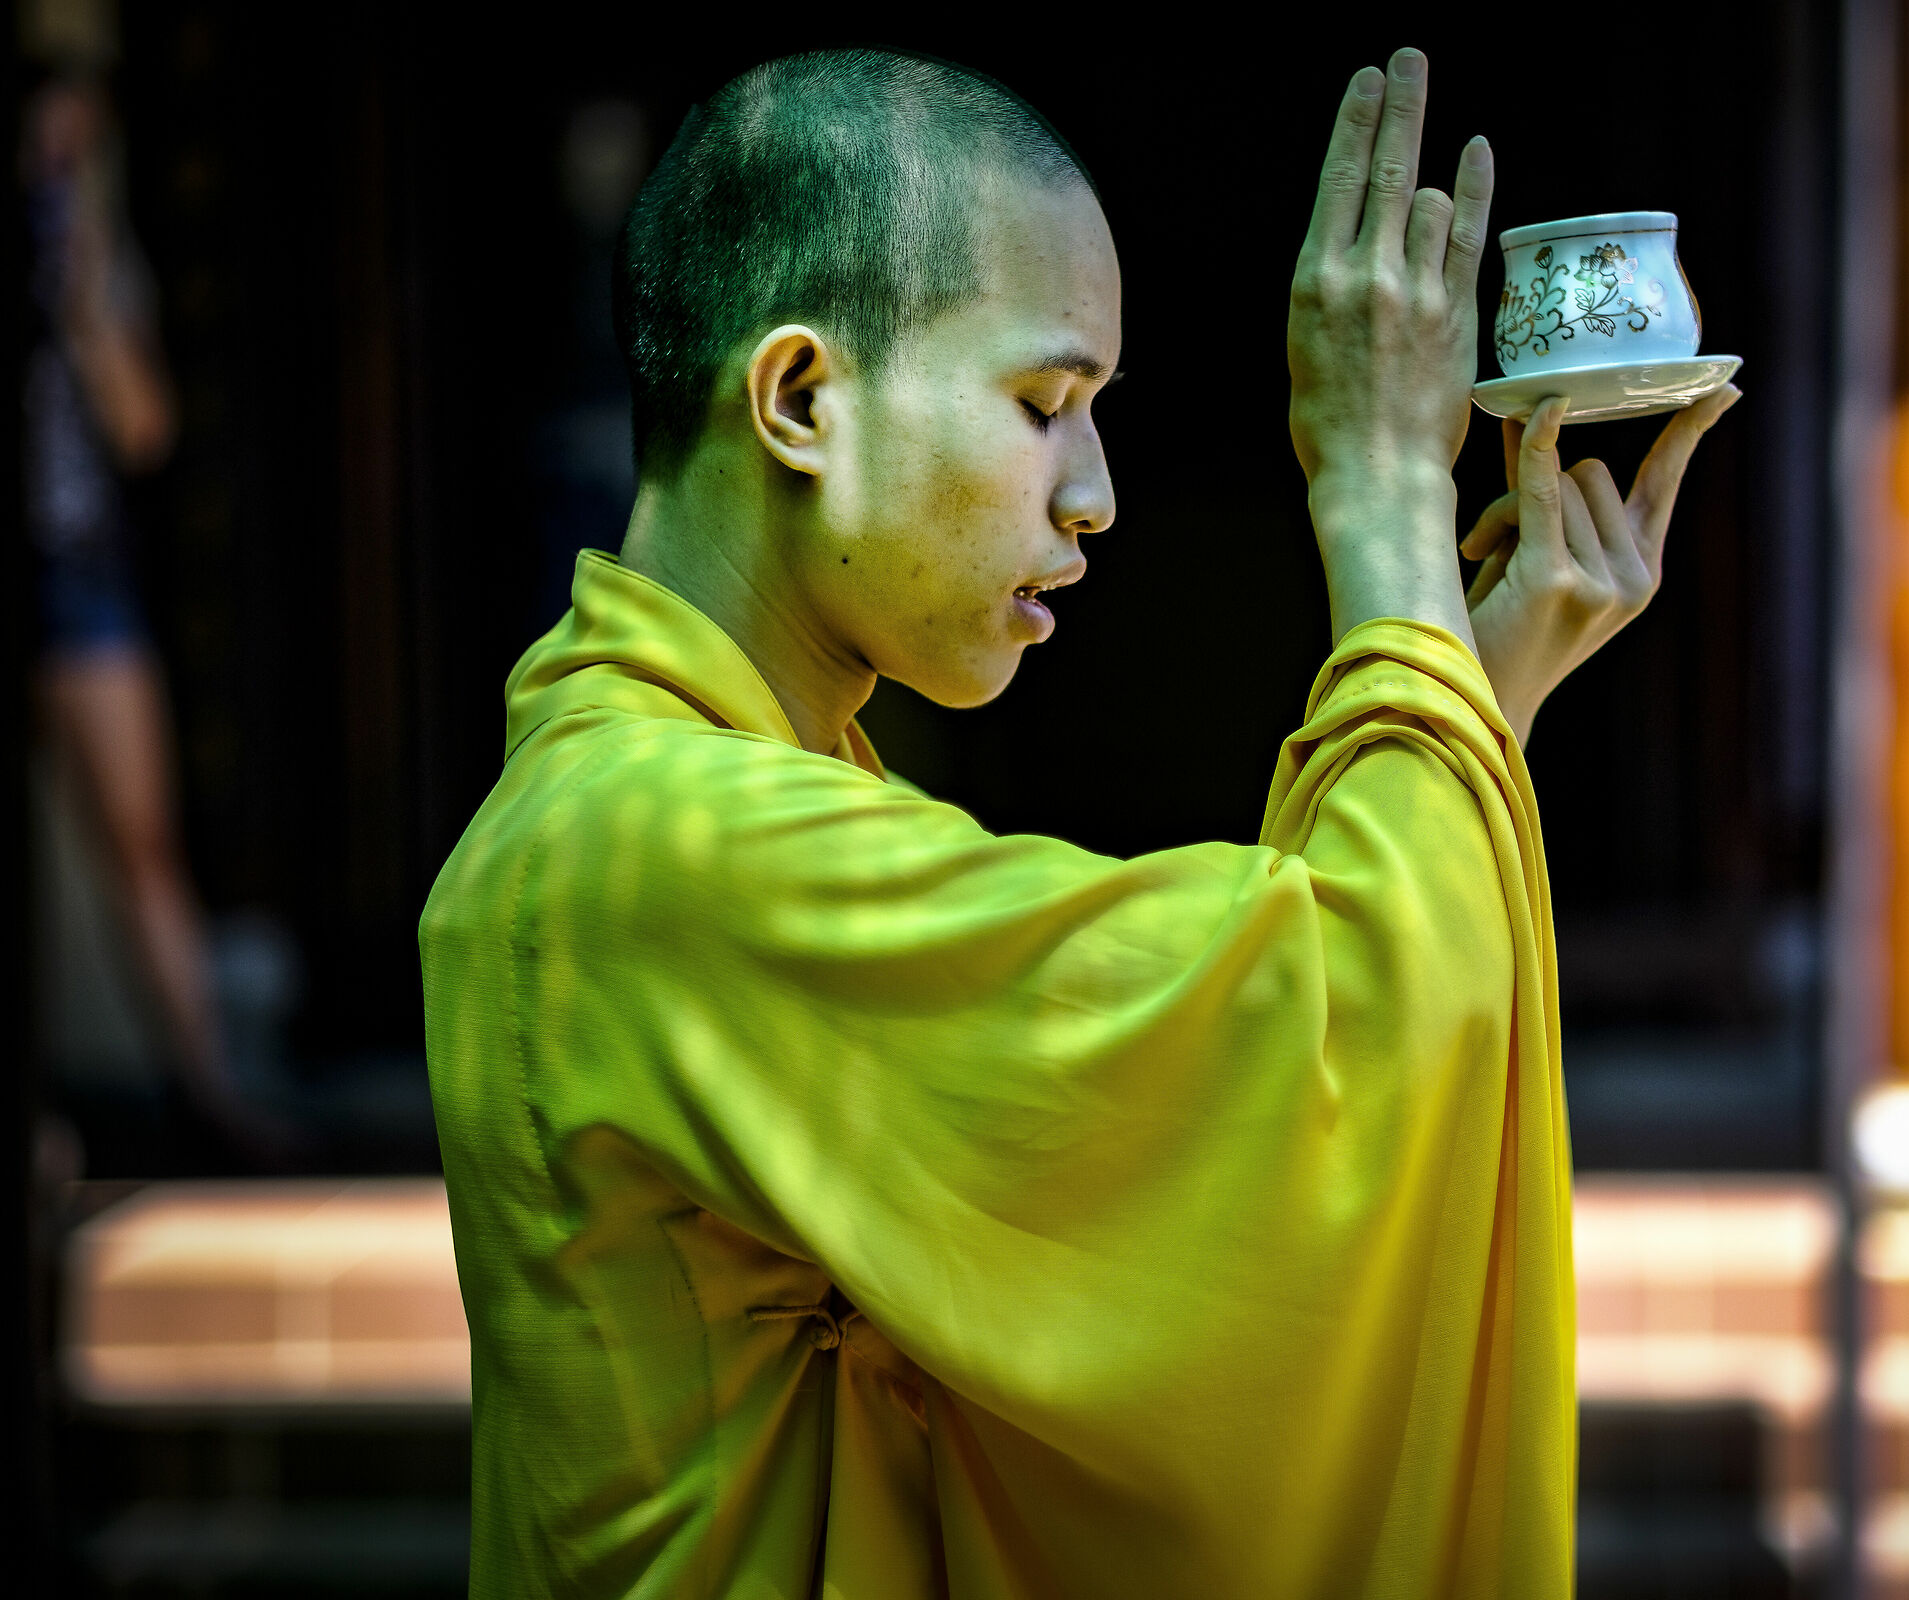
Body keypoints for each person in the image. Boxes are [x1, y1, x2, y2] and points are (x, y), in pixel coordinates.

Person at [423, 46, 1735, 1596]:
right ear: (796, 401)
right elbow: (1300, 1050)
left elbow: (1247, 1028)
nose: (1097, 492)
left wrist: (1475, 683)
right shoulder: (648, 848)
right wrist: (1382, 500)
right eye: (1047, 403)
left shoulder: (695, 805)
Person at [23, 72, 291, 1167]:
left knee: (141, 835)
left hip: (78, 569)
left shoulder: (89, 247)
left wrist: (79, 287)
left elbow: (144, 426)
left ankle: (212, 1095)